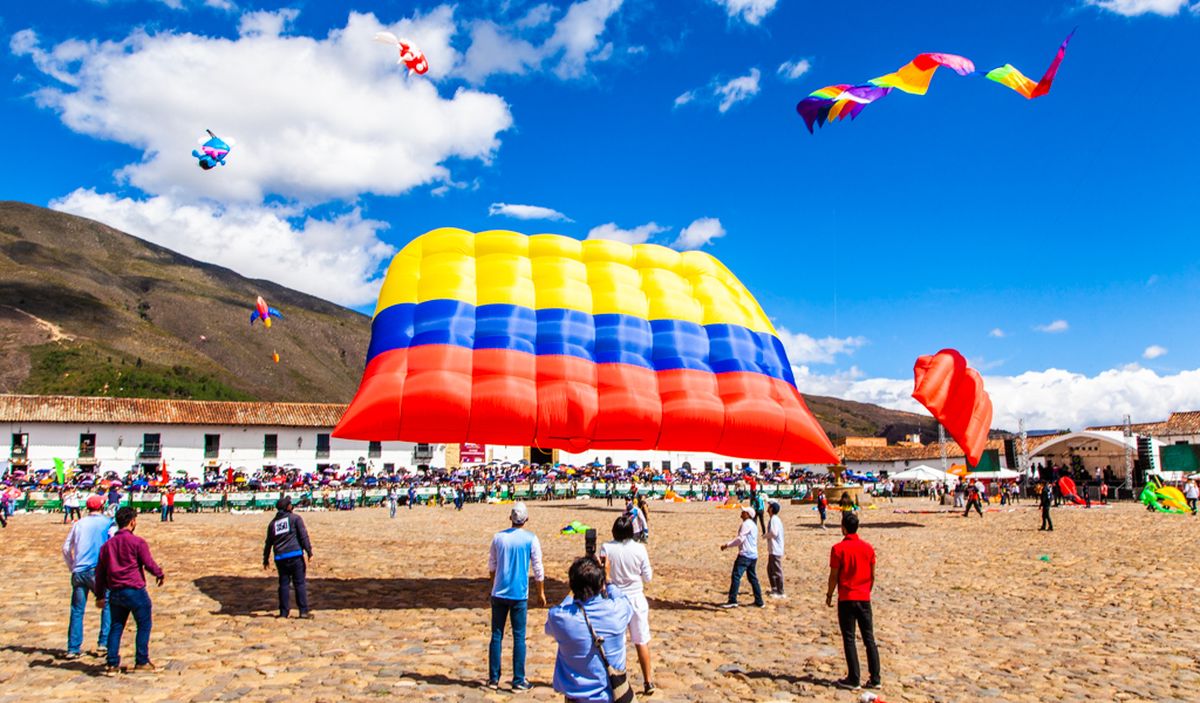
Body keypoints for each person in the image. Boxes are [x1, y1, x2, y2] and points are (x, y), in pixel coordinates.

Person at [545, 557, 634, 703]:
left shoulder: (560, 618)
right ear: (601, 583)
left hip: (576, 698)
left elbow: (553, 621)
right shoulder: (618, 610)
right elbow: (625, 601)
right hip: (611, 696)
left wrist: (572, 591)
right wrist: (608, 579)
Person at [95, 507, 165, 673]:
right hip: (135, 589)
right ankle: (141, 660)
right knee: (144, 624)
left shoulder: (107, 546)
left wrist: (99, 595)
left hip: (115, 591)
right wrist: (159, 573)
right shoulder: (137, 542)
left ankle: (112, 663)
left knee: (116, 626)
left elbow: (100, 573)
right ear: (133, 522)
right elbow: (148, 563)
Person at [486, 502, 546, 693]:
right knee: (519, 636)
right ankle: (518, 679)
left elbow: (492, 566)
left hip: (499, 592)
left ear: (510, 518)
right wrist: (541, 592)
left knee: (496, 635)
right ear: (526, 519)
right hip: (519, 593)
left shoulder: (498, 538)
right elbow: (538, 569)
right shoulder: (531, 539)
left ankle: (493, 678)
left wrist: (493, 586)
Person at [599, 514, 656, 696]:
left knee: (617, 643)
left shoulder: (606, 548)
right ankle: (648, 681)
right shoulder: (640, 549)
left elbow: (601, 574)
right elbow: (648, 577)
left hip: (615, 599)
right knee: (641, 641)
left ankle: (617, 682)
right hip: (636, 597)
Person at [826, 512, 879, 691]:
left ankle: (854, 678)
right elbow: (872, 574)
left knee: (849, 638)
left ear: (843, 528)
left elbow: (834, 575)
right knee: (869, 638)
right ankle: (875, 677)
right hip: (864, 597)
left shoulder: (838, 549)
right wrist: (867, 590)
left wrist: (829, 594)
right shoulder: (868, 548)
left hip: (847, 598)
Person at [62, 495, 113, 659]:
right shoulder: (108, 523)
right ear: (102, 507)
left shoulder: (79, 524)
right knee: (107, 605)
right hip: (98, 570)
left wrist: (73, 566)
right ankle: (103, 643)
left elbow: (65, 548)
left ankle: (73, 648)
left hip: (79, 570)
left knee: (77, 610)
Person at [263, 496, 314, 619]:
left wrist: (265, 558)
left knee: (284, 584)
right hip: (295, 554)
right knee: (299, 584)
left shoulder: (273, 524)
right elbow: (303, 536)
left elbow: (268, 542)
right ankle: (303, 611)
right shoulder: (295, 519)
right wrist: (309, 551)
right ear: (287, 507)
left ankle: (284, 612)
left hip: (280, 557)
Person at [720, 506, 764, 608]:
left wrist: (727, 545)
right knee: (753, 578)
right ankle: (759, 601)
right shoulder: (753, 525)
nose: (742, 512)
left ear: (748, 514)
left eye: (744, 511)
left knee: (736, 576)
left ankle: (732, 600)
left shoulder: (746, 524)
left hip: (745, 555)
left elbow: (740, 539)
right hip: (753, 555)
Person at [766, 501, 786, 598]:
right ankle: (774, 588)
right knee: (770, 569)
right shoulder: (774, 519)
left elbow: (774, 533)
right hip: (773, 548)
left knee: (776, 570)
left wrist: (765, 536)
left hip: (775, 548)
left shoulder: (774, 519)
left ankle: (780, 591)